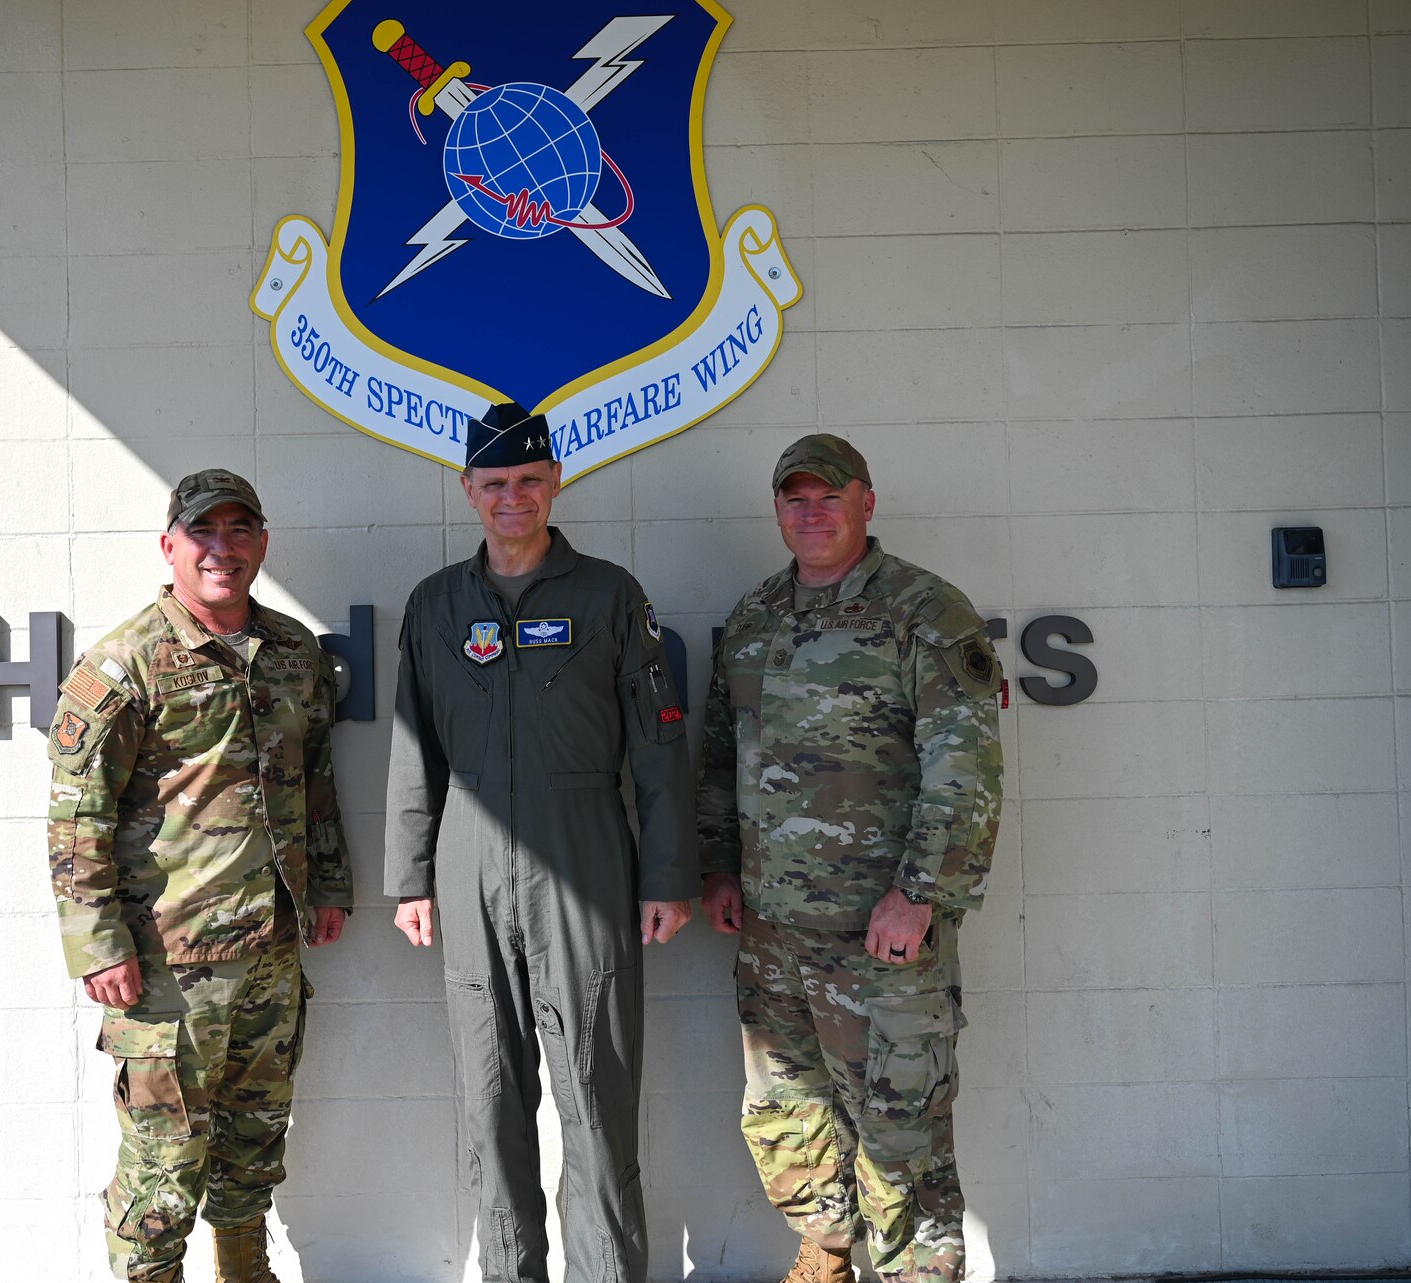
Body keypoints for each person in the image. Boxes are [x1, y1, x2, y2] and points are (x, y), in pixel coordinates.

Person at [384, 403, 698, 1283]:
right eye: (494, 483)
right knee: (491, 1099)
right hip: (469, 853)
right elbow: (415, 748)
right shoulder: (436, 604)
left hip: (586, 851)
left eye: (528, 480)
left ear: (555, 480)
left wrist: (666, 874)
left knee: (597, 1097)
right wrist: (411, 876)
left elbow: (658, 742)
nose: (512, 497)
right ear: (468, 491)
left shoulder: (609, 595)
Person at [696, 434, 1004, 1283]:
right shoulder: (757, 617)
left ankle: (914, 1274)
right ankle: (827, 1252)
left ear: (867, 501)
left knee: (901, 1130)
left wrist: (920, 893)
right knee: (786, 1114)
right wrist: (720, 866)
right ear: (778, 511)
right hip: (773, 931)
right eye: (795, 497)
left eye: (829, 495)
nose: (812, 511)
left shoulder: (924, 611)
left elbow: (965, 766)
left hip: (881, 931)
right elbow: (724, 752)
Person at [45, 468, 353, 1283]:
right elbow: (78, 818)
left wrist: (328, 886)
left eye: (240, 528)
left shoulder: (293, 652)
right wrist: (99, 944)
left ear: (262, 540)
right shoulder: (126, 664)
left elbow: (314, 776)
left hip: (271, 954)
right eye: (203, 531)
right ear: (170, 545)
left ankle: (244, 1273)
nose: (223, 547)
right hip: (168, 968)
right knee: (163, 1166)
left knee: (253, 1147)